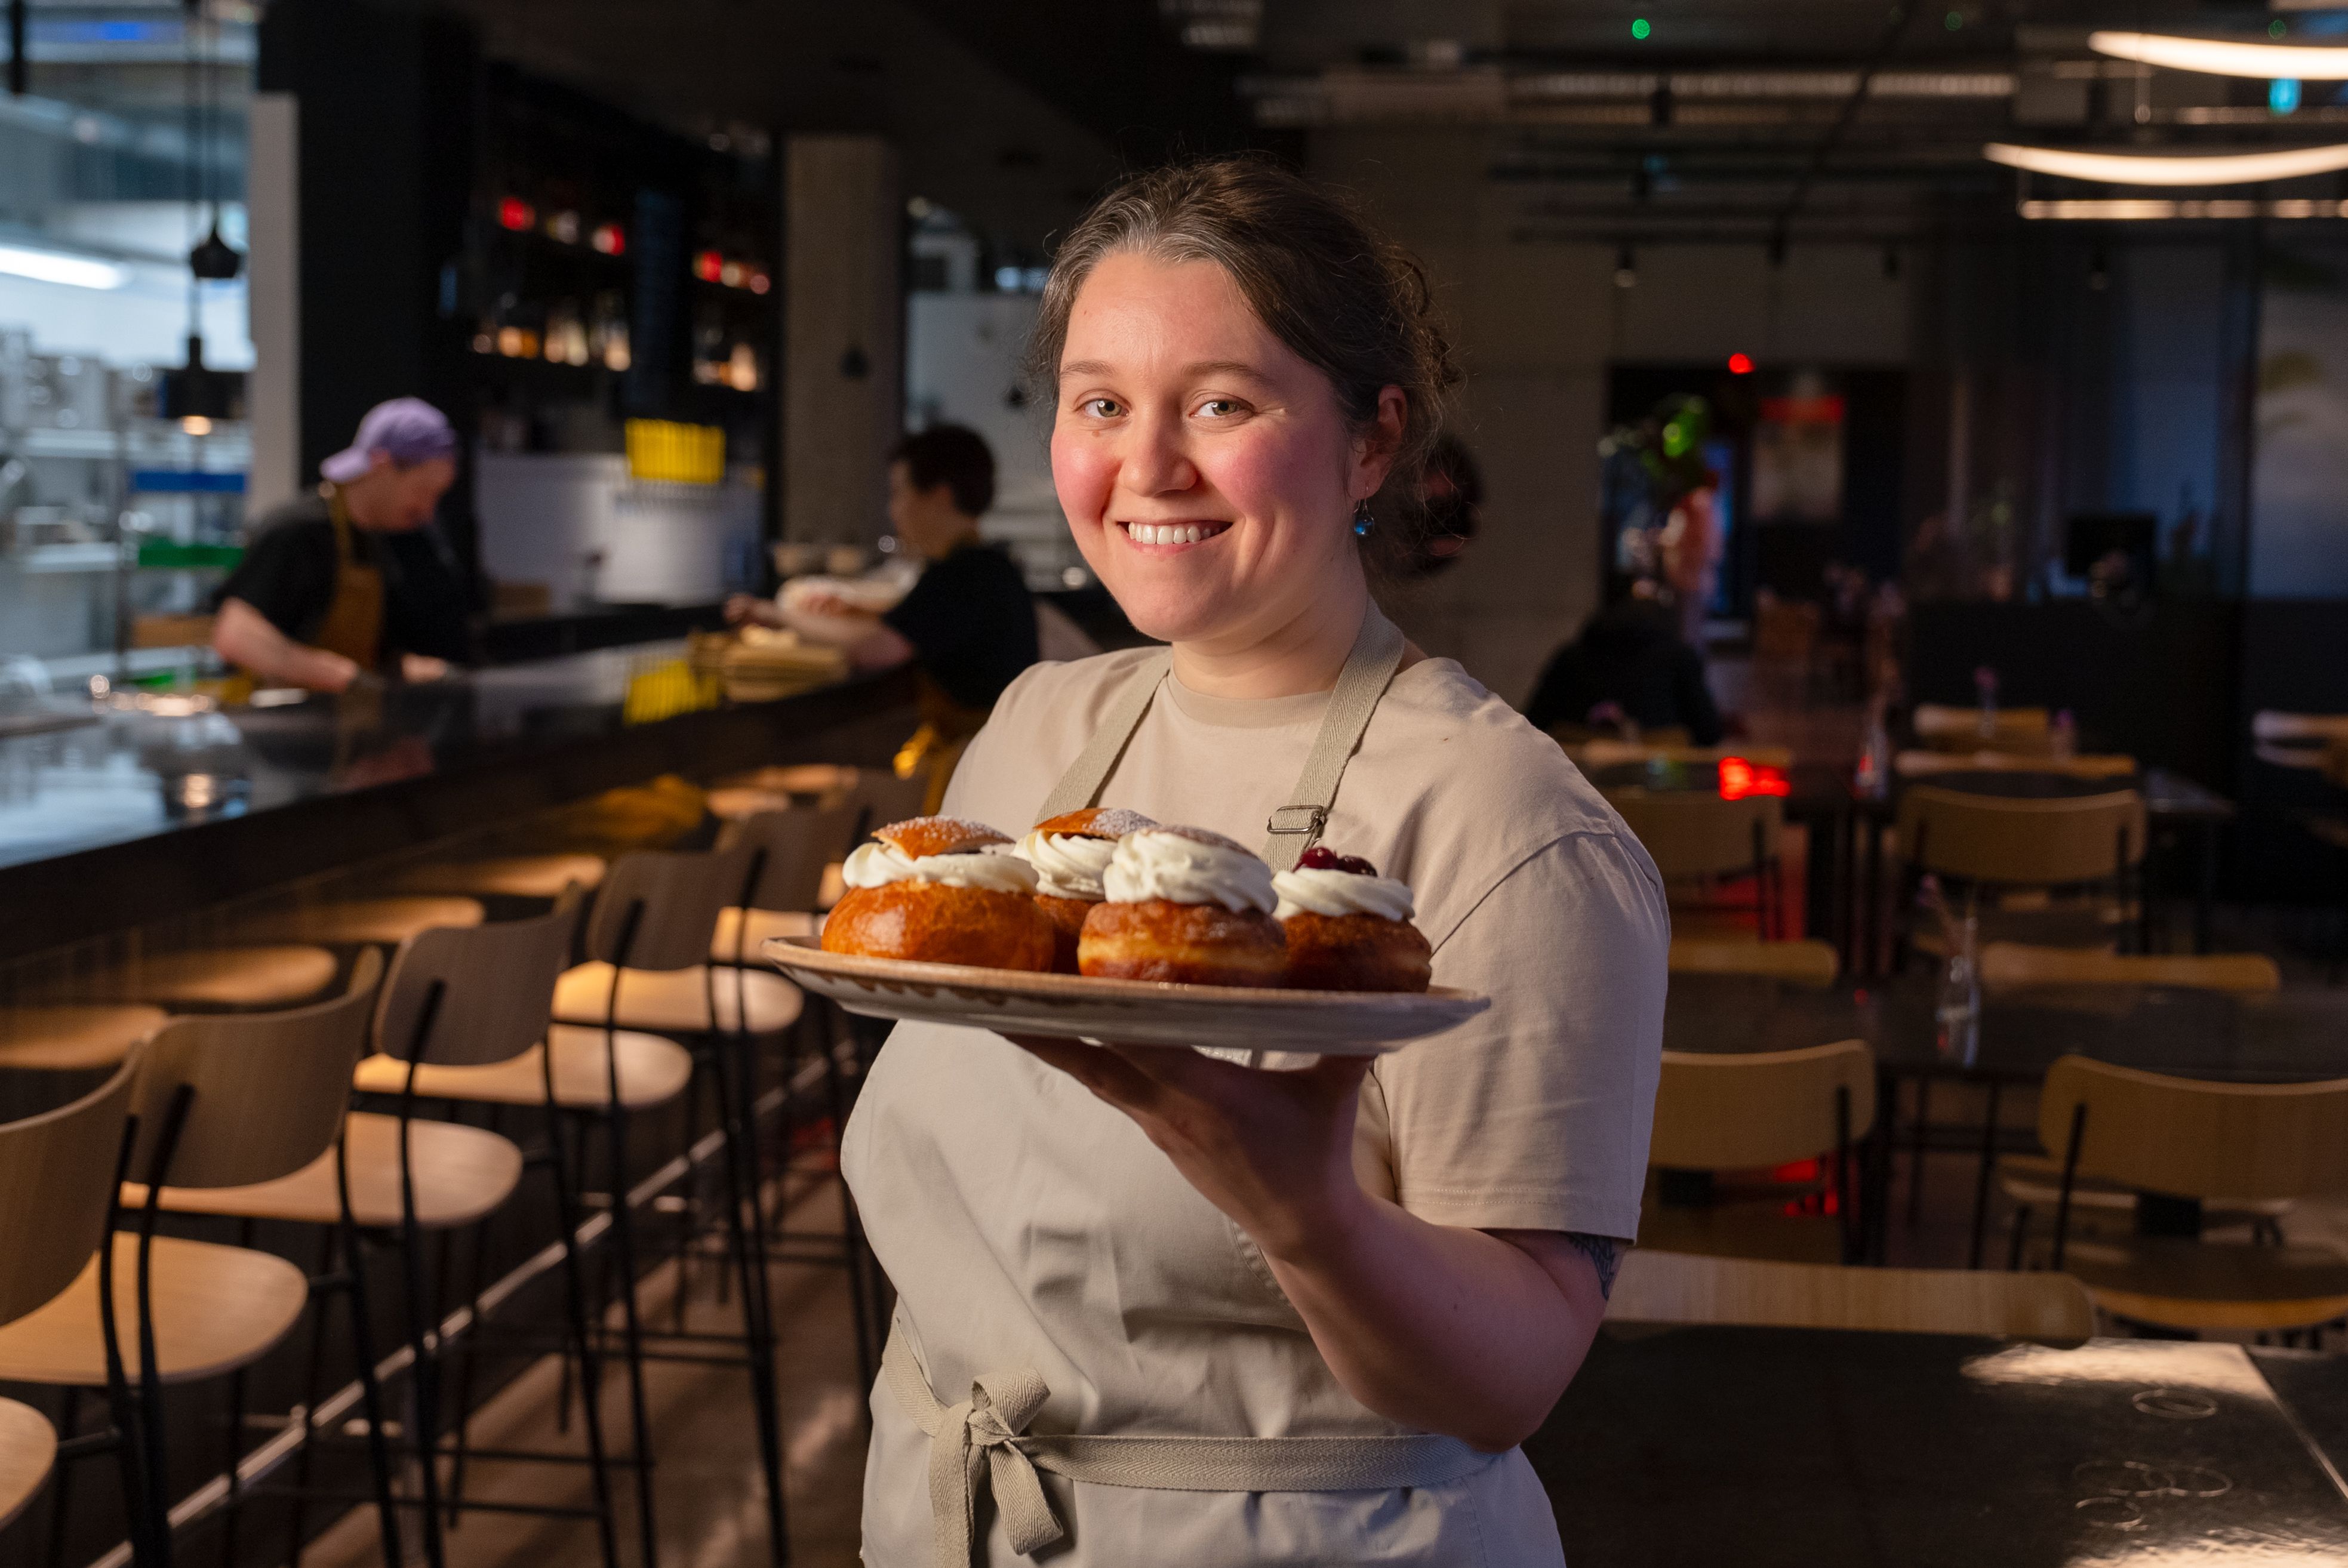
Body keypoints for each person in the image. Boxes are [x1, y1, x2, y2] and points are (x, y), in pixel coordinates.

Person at [843, 158, 1666, 1566]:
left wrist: (1309, 1213)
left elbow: (1512, 1371)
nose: (1146, 466)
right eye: (1100, 403)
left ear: (1367, 440)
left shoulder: (1505, 826)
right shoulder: (1038, 732)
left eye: (1221, 403)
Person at [731, 424, 1038, 807]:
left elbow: (877, 647)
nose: (893, 511)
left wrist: (777, 616)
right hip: (990, 761)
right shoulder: (988, 566)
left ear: (939, 496)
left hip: (975, 769)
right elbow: (915, 622)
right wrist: (855, 611)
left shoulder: (962, 574)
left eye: (899, 493)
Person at [211, 398, 472, 693]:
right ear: (382, 465)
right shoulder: (298, 530)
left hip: (339, 728)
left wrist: (417, 669)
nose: (428, 511)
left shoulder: (378, 538)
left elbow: (369, 653)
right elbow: (235, 634)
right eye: (424, 491)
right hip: (276, 728)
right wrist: (338, 675)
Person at [1524, 577, 1725, 746]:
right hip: (1660, 787)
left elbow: (1532, 725)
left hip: (1581, 784)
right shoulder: (1678, 658)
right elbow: (1708, 732)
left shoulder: (1571, 658)